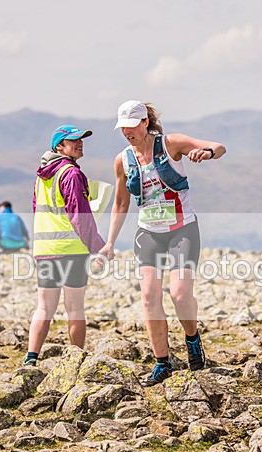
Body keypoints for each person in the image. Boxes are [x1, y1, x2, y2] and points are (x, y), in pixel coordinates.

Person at [99, 101, 226, 386]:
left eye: (132, 127)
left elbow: (219, 147)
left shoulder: (171, 144)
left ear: (145, 122)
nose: (127, 133)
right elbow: (120, 202)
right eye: (123, 129)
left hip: (182, 229)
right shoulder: (123, 160)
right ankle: (162, 363)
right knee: (149, 297)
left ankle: (192, 339)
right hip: (149, 233)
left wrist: (205, 153)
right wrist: (109, 243)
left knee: (180, 294)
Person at [23, 125, 106, 367]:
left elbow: (37, 209)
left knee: (44, 307)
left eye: (81, 140)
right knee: (75, 308)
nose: (79, 144)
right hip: (71, 250)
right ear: (60, 146)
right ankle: (75, 359)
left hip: (45, 250)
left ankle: (31, 358)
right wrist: (97, 248)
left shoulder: (41, 176)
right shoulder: (71, 173)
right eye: (73, 141)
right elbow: (80, 216)